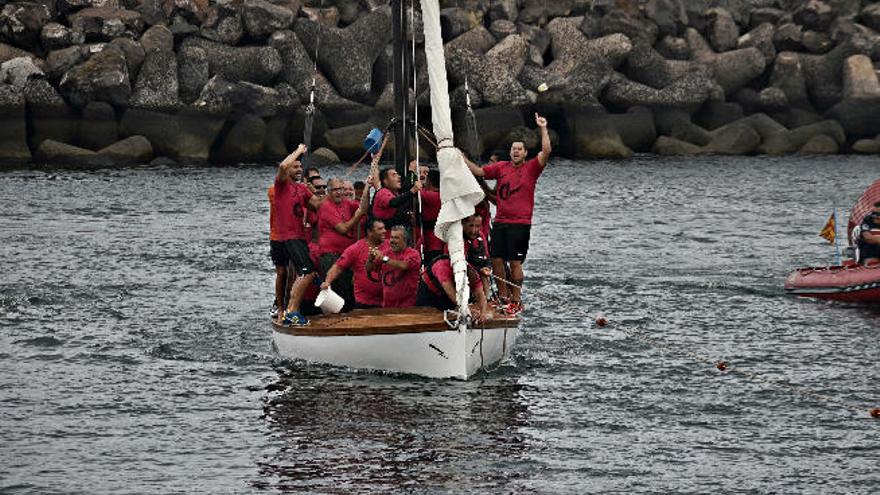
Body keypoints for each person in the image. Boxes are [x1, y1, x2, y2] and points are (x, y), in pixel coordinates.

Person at [465, 112, 551, 315]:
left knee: (514, 262)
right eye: (513, 149)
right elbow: (479, 172)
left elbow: (546, 151)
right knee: (495, 259)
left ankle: (516, 299)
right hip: (501, 221)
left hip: (520, 224)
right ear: (510, 152)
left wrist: (543, 128)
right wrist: (460, 157)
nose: (516, 152)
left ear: (525, 153)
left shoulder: (532, 168)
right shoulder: (502, 167)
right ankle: (502, 296)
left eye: (520, 149)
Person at [272, 144, 324, 326]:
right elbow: (282, 167)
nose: (299, 169)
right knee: (307, 272)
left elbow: (317, 205)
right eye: (296, 166)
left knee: (306, 272)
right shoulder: (281, 185)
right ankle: (290, 310)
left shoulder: (302, 189)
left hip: (299, 236)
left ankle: (291, 309)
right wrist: (299, 151)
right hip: (288, 236)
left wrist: (329, 192)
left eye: (301, 167)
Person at [416, 218, 490, 322]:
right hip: (429, 293)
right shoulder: (443, 268)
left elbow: (480, 293)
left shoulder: (470, 271)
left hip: (449, 292)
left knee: (455, 310)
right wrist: (467, 309)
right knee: (428, 316)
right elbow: (451, 293)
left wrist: (482, 313)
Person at [316, 177, 371, 310]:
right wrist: (357, 215)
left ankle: (347, 317)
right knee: (338, 293)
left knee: (348, 292)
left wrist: (368, 187)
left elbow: (363, 207)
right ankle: (336, 320)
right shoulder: (326, 206)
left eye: (341, 189)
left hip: (345, 254)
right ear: (328, 192)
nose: (339, 192)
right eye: (335, 190)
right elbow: (343, 229)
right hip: (331, 255)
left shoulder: (346, 203)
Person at [320, 219, 388, 309]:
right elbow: (338, 267)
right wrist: (327, 282)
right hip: (364, 303)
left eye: (384, 228)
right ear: (370, 232)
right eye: (380, 229)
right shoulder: (355, 248)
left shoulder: (391, 245)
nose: (384, 231)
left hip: (388, 302)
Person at [366, 225, 421, 307]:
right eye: (391, 237)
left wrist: (383, 258)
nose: (392, 240)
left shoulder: (413, 254)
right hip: (387, 305)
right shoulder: (386, 253)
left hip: (408, 305)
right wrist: (370, 259)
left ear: (404, 240)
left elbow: (404, 266)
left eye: (396, 238)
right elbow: (369, 268)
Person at [372, 167, 421, 237]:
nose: (399, 177)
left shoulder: (396, 194)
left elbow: (405, 190)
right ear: (385, 181)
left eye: (398, 175)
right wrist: (413, 190)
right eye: (394, 175)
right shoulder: (382, 192)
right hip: (385, 237)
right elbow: (394, 203)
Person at [267, 184, 287, 318]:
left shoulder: (301, 190)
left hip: (297, 236)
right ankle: (279, 305)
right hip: (278, 237)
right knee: (282, 272)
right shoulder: (274, 189)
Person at [419, 169, 444, 263]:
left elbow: (415, 191)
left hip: (433, 241)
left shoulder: (432, 196)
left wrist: (412, 173)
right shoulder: (443, 195)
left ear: (429, 182)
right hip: (440, 239)